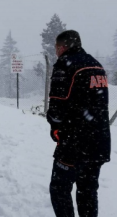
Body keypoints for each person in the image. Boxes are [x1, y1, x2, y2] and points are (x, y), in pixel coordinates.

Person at [47, 30, 111, 217]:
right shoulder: (96, 65)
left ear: (62, 47)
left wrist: (56, 127)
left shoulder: (65, 65)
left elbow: (57, 105)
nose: (56, 52)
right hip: (99, 141)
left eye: (56, 48)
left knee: (59, 189)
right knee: (88, 191)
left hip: (74, 142)